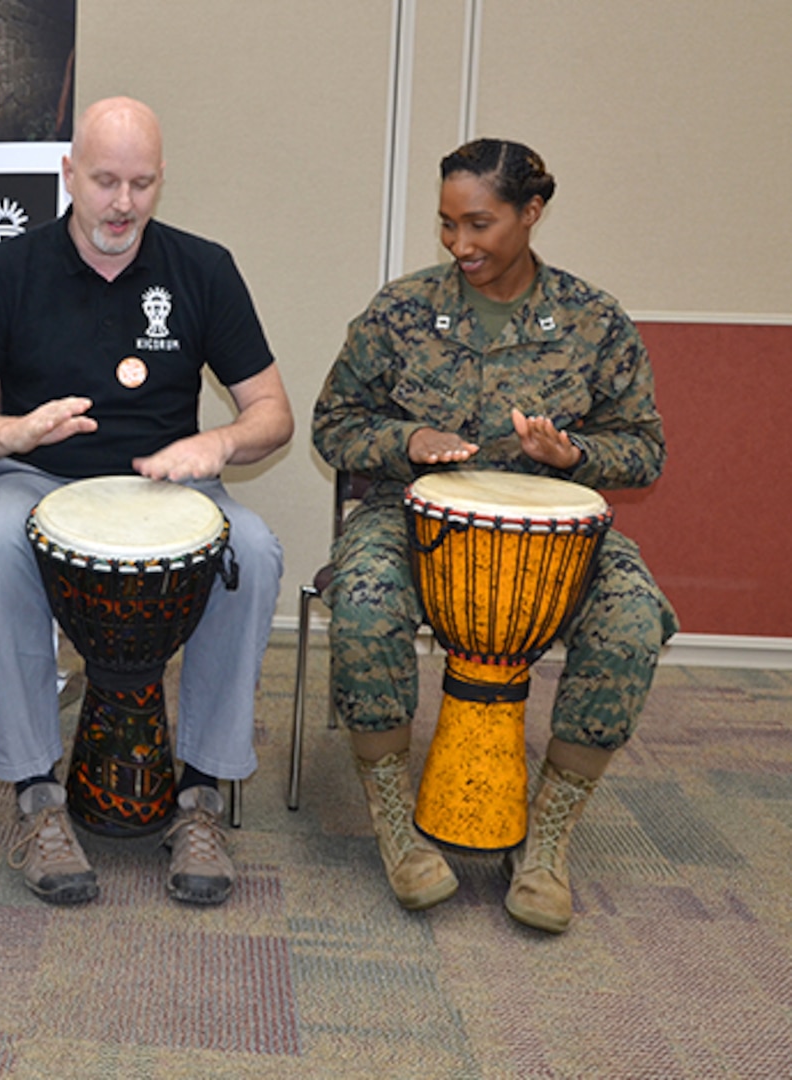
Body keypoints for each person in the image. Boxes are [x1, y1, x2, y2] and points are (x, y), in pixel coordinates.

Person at [0, 97, 292, 908]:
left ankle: (201, 795)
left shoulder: (204, 268)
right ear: (68, 175)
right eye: (105, 181)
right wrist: (15, 432)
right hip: (36, 479)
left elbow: (273, 414)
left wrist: (218, 445)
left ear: (163, 182)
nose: (122, 204)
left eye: (142, 183)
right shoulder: (8, 272)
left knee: (255, 549)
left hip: (171, 485)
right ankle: (35, 796)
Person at [311, 138, 679, 933]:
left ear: (532, 213)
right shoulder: (402, 310)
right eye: (447, 225)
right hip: (412, 518)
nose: (461, 245)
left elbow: (644, 449)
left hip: (555, 533)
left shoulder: (592, 320)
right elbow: (334, 424)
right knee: (367, 606)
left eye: (479, 224)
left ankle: (545, 840)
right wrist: (405, 442)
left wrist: (572, 453)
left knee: (631, 620)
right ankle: (395, 825)